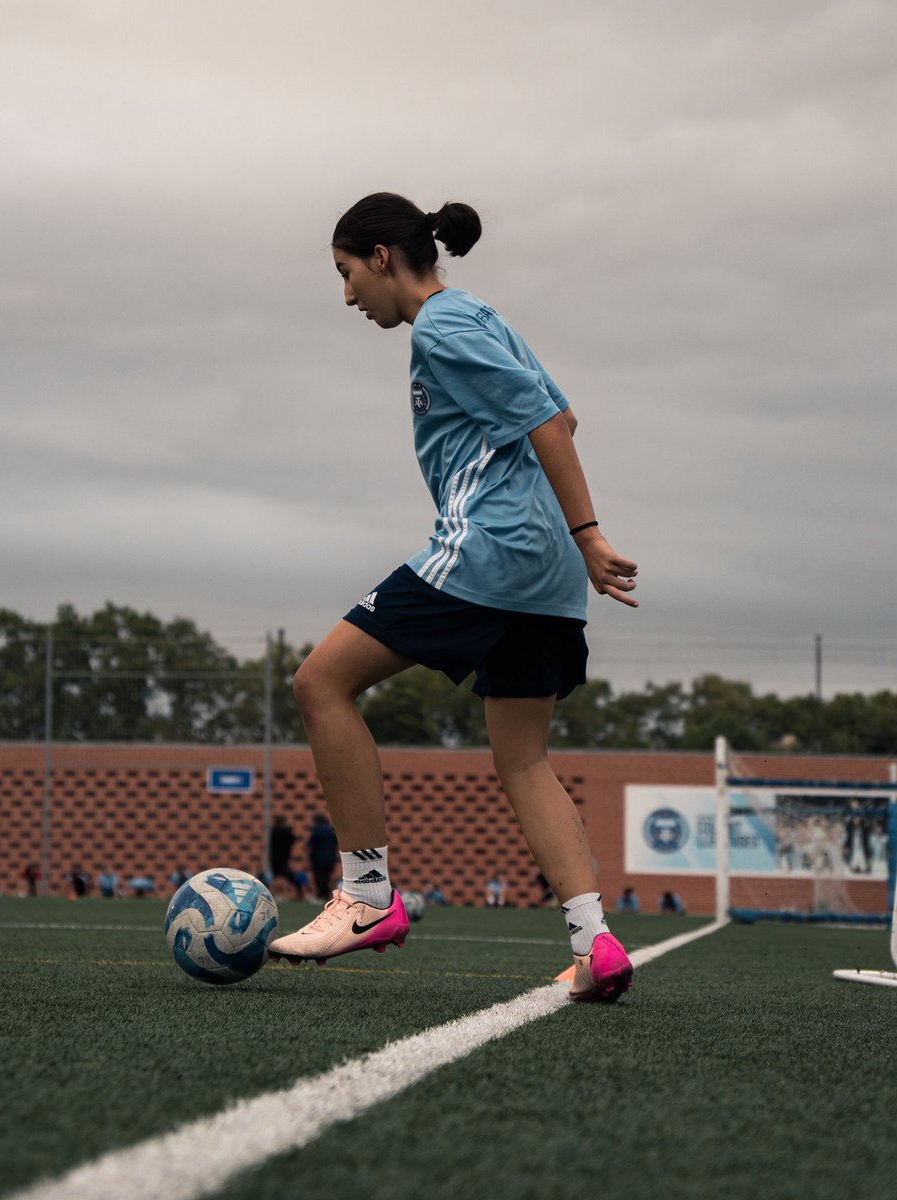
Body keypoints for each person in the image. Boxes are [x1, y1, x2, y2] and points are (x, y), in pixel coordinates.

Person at [269, 193, 638, 1003]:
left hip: (492, 552)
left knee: (319, 683)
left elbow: (545, 420)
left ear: (379, 256)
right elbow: (566, 415)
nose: (346, 297)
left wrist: (591, 533)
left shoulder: (441, 326)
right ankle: (595, 944)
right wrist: (571, 547)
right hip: (543, 578)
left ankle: (366, 897)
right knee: (524, 758)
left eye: (344, 274)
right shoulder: (480, 313)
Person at [306, 813, 339, 901]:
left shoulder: (316, 829)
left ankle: (321, 895)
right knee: (327, 877)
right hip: (330, 858)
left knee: (319, 877)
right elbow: (336, 843)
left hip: (318, 858)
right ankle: (327, 895)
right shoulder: (331, 829)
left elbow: (311, 844)